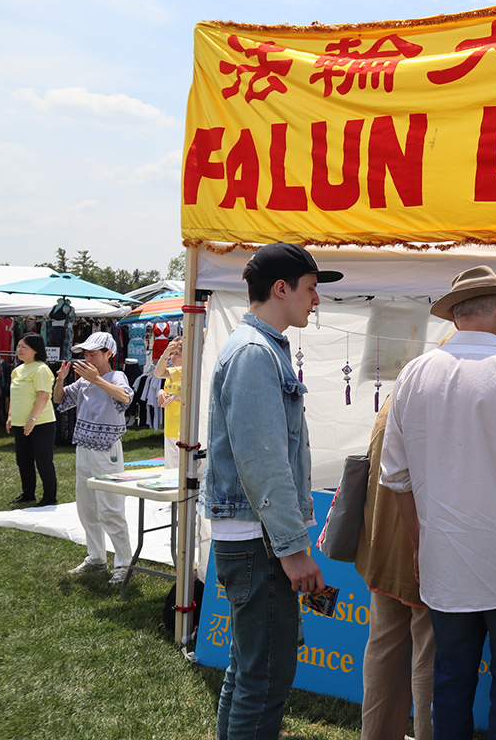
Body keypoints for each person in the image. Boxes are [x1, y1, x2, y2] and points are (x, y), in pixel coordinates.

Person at [380, 265, 496, 740]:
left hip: (446, 563)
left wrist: (421, 542)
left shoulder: (415, 373)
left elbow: (395, 477)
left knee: (451, 682)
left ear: (455, 316)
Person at [199, 242, 340, 740]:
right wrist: (292, 549)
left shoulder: (258, 348)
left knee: (249, 671)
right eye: (311, 289)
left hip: (255, 538)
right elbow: (263, 464)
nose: (316, 301)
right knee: (263, 679)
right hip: (259, 541)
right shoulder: (255, 353)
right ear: (281, 288)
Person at [356, 394, 434, 740]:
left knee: (384, 649)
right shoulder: (438, 400)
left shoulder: (395, 397)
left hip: (385, 548)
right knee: (430, 657)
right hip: (424, 551)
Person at [53, 331, 134, 584]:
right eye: (85, 354)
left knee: (110, 507)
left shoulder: (115, 376)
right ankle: (97, 557)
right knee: (87, 507)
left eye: (93, 353)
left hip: (106, 450)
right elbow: (59, 400)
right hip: (84, 448)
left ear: (109, 353)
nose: (87, 357)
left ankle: (124, 563)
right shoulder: (84, 381)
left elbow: (126, 397)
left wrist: (96, 379)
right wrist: (60, 380)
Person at [6, 333, 58, 507]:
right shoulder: (17, 370)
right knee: (23, 460)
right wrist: (10, 416)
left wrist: (32, 419)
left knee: (43, 461)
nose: (19, 350)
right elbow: (15, 395)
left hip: (41, 423)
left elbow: (43, 396)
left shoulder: (41, 369)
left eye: (24, 347)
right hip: (20, 423)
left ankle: (49, 497)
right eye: (19, 346)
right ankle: (28, 494)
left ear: (35, 350)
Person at [153, 336, 183, 469]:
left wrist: (179, 396)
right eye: (172, 354)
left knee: (183, 470)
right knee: (171, 470)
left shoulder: (186, 372)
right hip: (170, 428)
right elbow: (159, 374)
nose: (173, 357)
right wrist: (161, 392)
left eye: (177, 354)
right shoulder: (173, 373)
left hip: (183, 429)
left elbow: (197, 393)